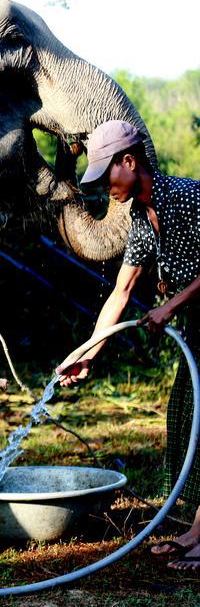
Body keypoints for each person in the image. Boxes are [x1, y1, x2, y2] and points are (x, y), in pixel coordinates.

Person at [55, 119, 200, 570]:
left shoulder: (187, 197)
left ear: (130, 161)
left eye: (106, 175)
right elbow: (121, 291)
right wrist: (89, 352)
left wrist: (169, 307)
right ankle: (197, 530)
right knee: (185, 420)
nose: (104, 188)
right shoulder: (141, 216)